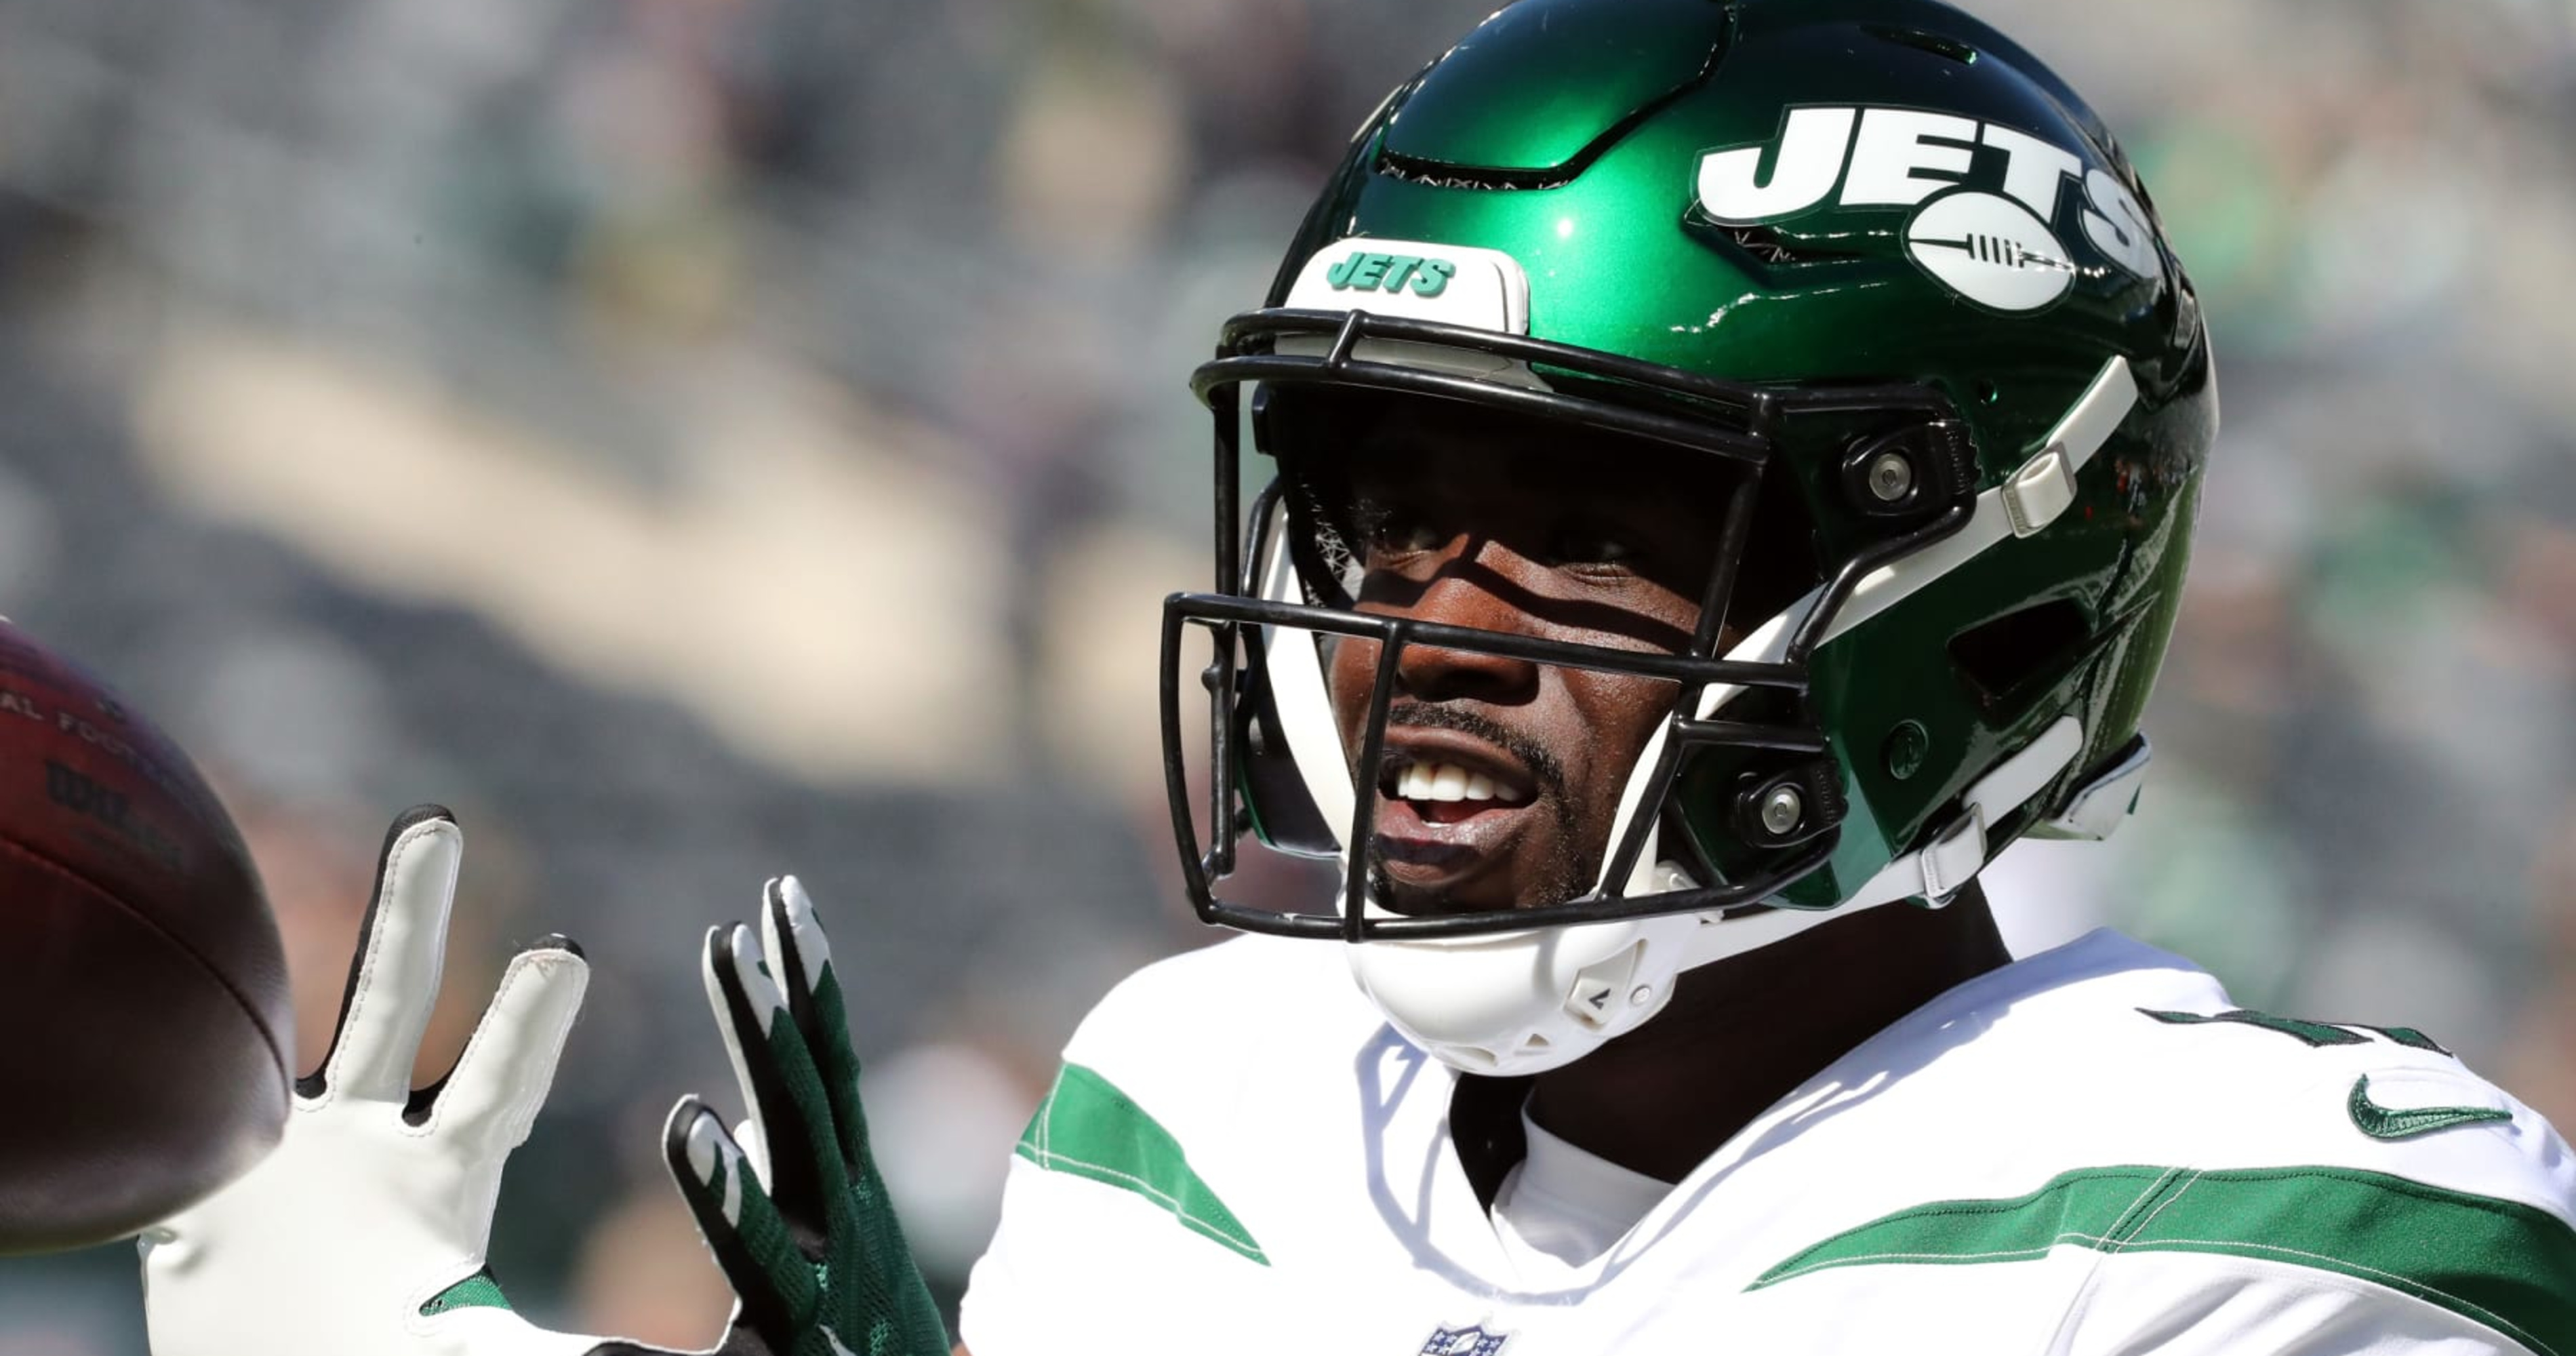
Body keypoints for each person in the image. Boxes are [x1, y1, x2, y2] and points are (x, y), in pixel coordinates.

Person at [140, 0, 2576, 1353]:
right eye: (1388, 514)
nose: (1429, 637)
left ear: (1979, 606)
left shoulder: (2261, 1231)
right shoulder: (1205, 1098)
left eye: (1604, 536)